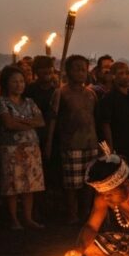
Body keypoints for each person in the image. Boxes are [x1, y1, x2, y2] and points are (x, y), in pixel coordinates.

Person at [47, 55, 98, 224]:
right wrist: (49, 144)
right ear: (68, 71)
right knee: (72, 184)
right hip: (70, 144)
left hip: (90, 143)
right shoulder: (61, 93)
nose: (81, 73)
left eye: (84, 69)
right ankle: (72, 213)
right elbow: (53, 120)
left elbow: (94, 118)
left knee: (89, 183)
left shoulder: (91, 94)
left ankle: (86, 212)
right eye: (77, 69)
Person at [0, 65, 46, 230]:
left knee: (29, 186)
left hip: (31, 148)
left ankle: (28, 218)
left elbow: (41, 122)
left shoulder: (30, 102)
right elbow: (8, 124)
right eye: (15, 81)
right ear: (6, 83)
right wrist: (29, 122)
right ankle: (14, 220)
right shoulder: (1, 101)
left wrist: (19, 122)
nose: (19, 85)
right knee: (12, 185)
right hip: (10, 148)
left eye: (21, 81)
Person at [99, 62, 129, 176]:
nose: (126, 76)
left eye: (128, 73)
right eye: (121, 73)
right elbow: (105, 125)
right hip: (119, 148)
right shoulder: (108, 99)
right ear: (113, 76)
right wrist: (110, 150)